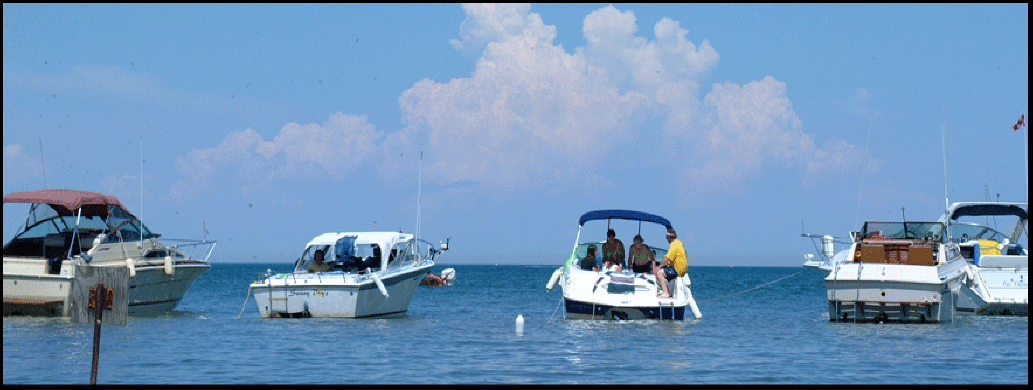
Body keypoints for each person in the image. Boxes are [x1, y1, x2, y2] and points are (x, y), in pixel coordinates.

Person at [654, 228, 687, 298]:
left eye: (667, 237)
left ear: (669, 237)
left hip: (677, 270)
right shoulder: (678, 243)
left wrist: (658, 267)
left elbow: (666, 260)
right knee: (663, 272)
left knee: (659, 273)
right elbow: (668, 260)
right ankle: (668, 292)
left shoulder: (674, 244)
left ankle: (666, 293)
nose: (667, 239)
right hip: (680, 270)